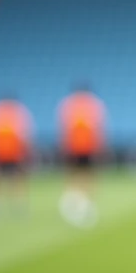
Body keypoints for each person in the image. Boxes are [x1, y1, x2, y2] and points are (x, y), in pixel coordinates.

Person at [57, 83, 106, 227]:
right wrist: (101, 146)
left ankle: (75, 202)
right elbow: (99, 128)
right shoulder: (94, 104)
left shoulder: (68, 104)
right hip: (86, 146)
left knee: (75, 175)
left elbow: (63, 128)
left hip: (75, 147)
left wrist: (63, 145)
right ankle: (83, 203)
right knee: (87, 175)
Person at [0, 92, 35, 218]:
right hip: (9, 153)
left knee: (1, 179)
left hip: (5, 152)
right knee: (12, 180)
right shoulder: (18, 112)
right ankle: (13, 205)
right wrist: (27, 151)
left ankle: (1, 205)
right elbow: (26, 135)